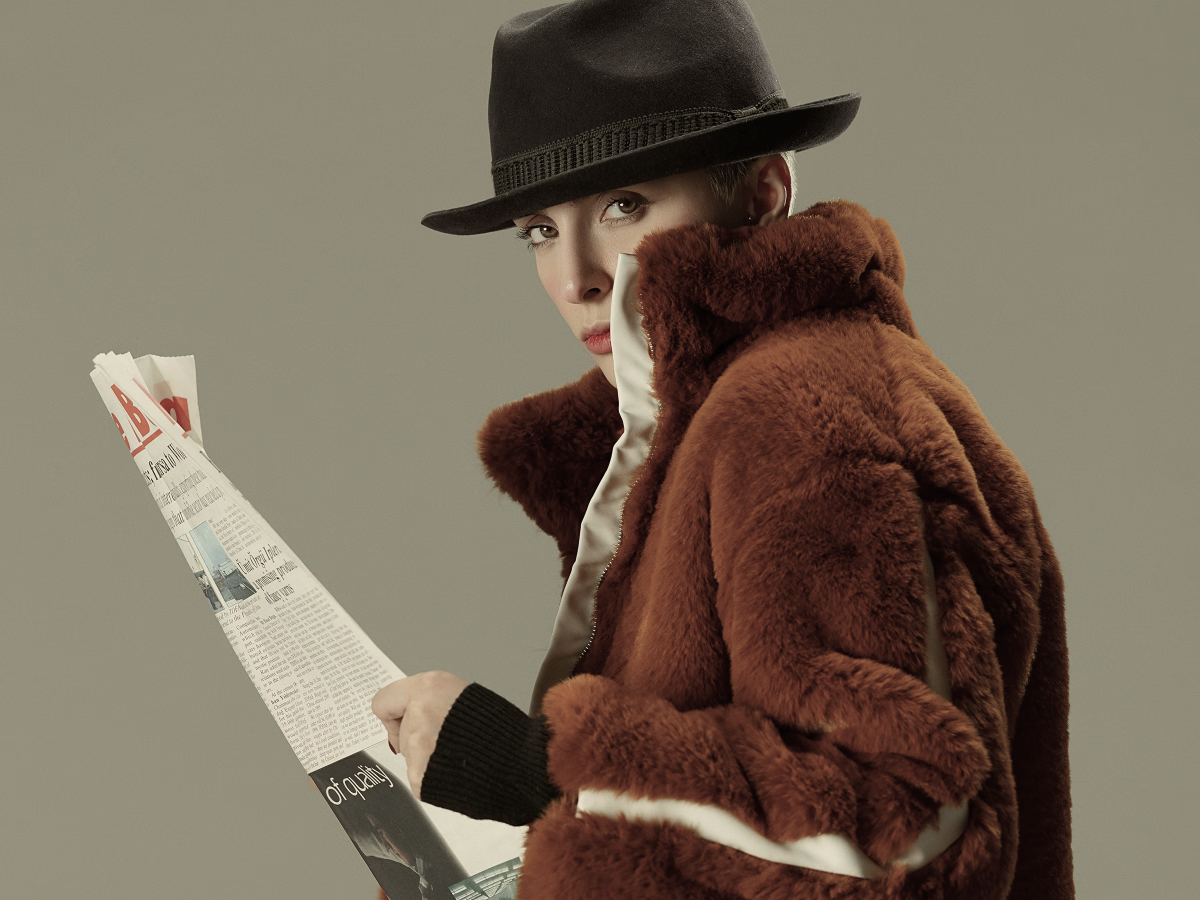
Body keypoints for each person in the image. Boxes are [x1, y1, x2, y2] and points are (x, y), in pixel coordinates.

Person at [371, 1, 1074, 898]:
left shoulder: (804, 415)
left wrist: (537, 767)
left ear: (765, 191)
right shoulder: (704, 419)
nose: (573, 275)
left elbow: (901, 818)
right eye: (540, 229)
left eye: (623, 204)